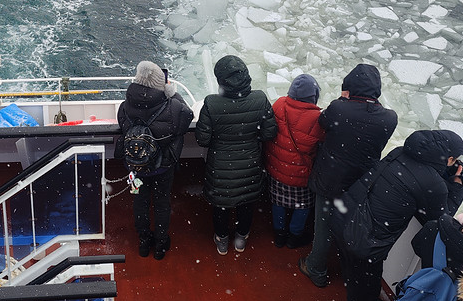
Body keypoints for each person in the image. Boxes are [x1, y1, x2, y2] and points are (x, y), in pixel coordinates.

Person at [335, 129, 463, 301]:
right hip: (366, 239)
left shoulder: (401, 152)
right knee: (363, 283)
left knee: (360, 276)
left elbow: (410, 182)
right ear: (449, 159)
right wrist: (457, 186)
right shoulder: (434, 185)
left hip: (347, 215)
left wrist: (443, 176)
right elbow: (442, 218)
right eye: (455, 159)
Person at [299, 64, 397, 288]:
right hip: (360, 184)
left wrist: (344, 100)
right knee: (350, 227)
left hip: (330, 179)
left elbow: (323, 123)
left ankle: (316, 268)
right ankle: (348, 275)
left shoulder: (338, 109)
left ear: (349, 89)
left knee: (322, 226)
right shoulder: (389, 118)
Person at [195, 54, 277, 255]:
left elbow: (202, 139)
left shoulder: (211, 103)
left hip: (221, 165)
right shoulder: (260, 98)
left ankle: (222, 240)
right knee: (245, 202)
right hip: (249, 163)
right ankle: (241, 239)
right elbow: (269, 133)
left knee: (221, 204)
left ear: (221, 80)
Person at [116, 61, 194, 260]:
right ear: (161, 84)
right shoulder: (174, 106)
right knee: (161, 203)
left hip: (134, 167)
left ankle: (143, 242)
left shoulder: (125, 106)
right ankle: (160, 245)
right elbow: (186, 118)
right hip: (162, 167)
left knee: (139, 201)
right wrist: (172, 94)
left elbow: (123, 127)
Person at [263, 74, 324, 248]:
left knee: (278, 201)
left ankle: (279, 234)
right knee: (302, 205)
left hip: (276, 168)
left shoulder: (279, 104)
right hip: (301, 174)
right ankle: (294, 236)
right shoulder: (317, 118)